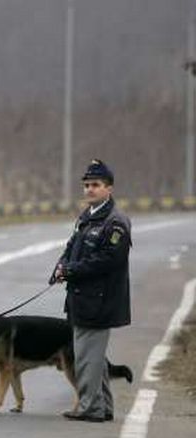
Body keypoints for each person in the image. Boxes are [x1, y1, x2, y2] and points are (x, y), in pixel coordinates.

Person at [49, 159, 132, 423]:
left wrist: (72, 270)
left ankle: (90, 408)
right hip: (81, 300)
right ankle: (103, 407)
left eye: (95, 185)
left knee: (86, 359)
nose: (89, 190)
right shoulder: (87, 216)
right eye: (86, 185)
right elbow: (71, 247)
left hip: (99, 302)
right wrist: (60, 267)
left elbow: (110, 260)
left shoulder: (115, 221)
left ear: (109, 188)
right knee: (93, 357)